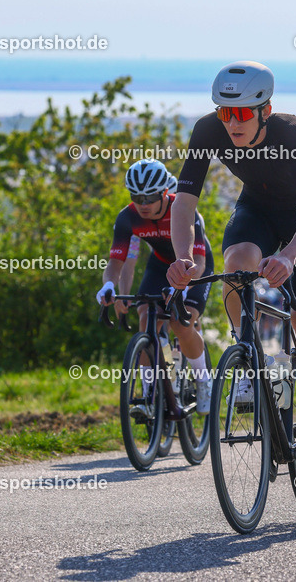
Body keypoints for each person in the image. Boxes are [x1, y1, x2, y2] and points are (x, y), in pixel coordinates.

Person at [167, 61, 296, 497]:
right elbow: (184, 203)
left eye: (242, 114)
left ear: (265, 110)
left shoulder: (290, 133)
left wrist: (288, 257)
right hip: (257, 211)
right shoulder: (208, 130)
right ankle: (245, 353)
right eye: (226, 114)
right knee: (237, 259)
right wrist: (184, 258)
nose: (232, 123)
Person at [97, 160, 212, 414]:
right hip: (160, 265)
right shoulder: (127, 217)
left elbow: (200, 262)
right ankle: (150, 394)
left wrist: (181, 287)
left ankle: (204, 380)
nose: (144, 203)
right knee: (146, 315)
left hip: (194, 266)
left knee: (181, 322)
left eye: (150, 197)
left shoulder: (184, 210)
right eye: (137, 196)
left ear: (164, 194)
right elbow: (118, 262)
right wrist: (109, 285)